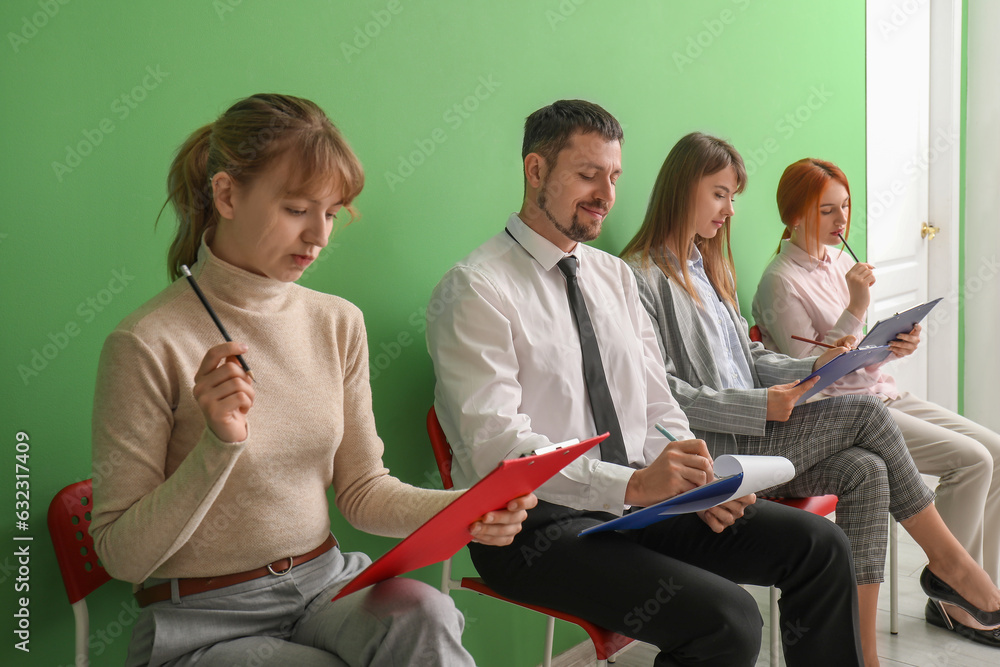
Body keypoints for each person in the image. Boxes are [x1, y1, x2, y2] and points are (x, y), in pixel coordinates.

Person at [89, 93, 535, 667]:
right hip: (203, 622)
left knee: (428, 615)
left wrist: (466, 508)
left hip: (326, 586)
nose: (319, 236)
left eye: (331, 212)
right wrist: (216, 447)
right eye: (297, 209)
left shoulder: (337, 321)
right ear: (226, 194)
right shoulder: (146, 342)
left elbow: (362, 491)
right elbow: (120, 556)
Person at [427, 100, 865, 666]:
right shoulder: (477, 289)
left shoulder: (612, 276)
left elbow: (658, 399)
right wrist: (632, 488)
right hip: (536, 526)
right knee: (728, 619)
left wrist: (696, 480)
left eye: (613, 177)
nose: (605, 194)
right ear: (535, 171)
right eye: (587, 175)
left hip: (642, 500)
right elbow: (500, 452)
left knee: (820, 546)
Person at [621, 132, 1000, 665]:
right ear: (683, 189)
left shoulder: (709, 270)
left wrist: (812, 367)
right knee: (868, 412)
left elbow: (749, 363)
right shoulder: (637, 277)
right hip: (716, 448)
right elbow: (654, 392)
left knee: (867, 470)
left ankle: (863, 655)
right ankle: (951, 565)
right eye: (719, 194)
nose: (730, 211)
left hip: (761, 430)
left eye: (733, 198)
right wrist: (759, 406)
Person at [751, 157, 1000, 648]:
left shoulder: (839, 261)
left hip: (878, 390)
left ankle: (974, 583)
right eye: (827, 211)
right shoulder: (779, 282)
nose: (842, 221)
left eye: (844, 207)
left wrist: (894, 344)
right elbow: (810, 375)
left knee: (997, 449)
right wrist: (857, 308)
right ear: (795, 215)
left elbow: (857, 354)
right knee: (970, 462)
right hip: (840, 414)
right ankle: (954, 596)